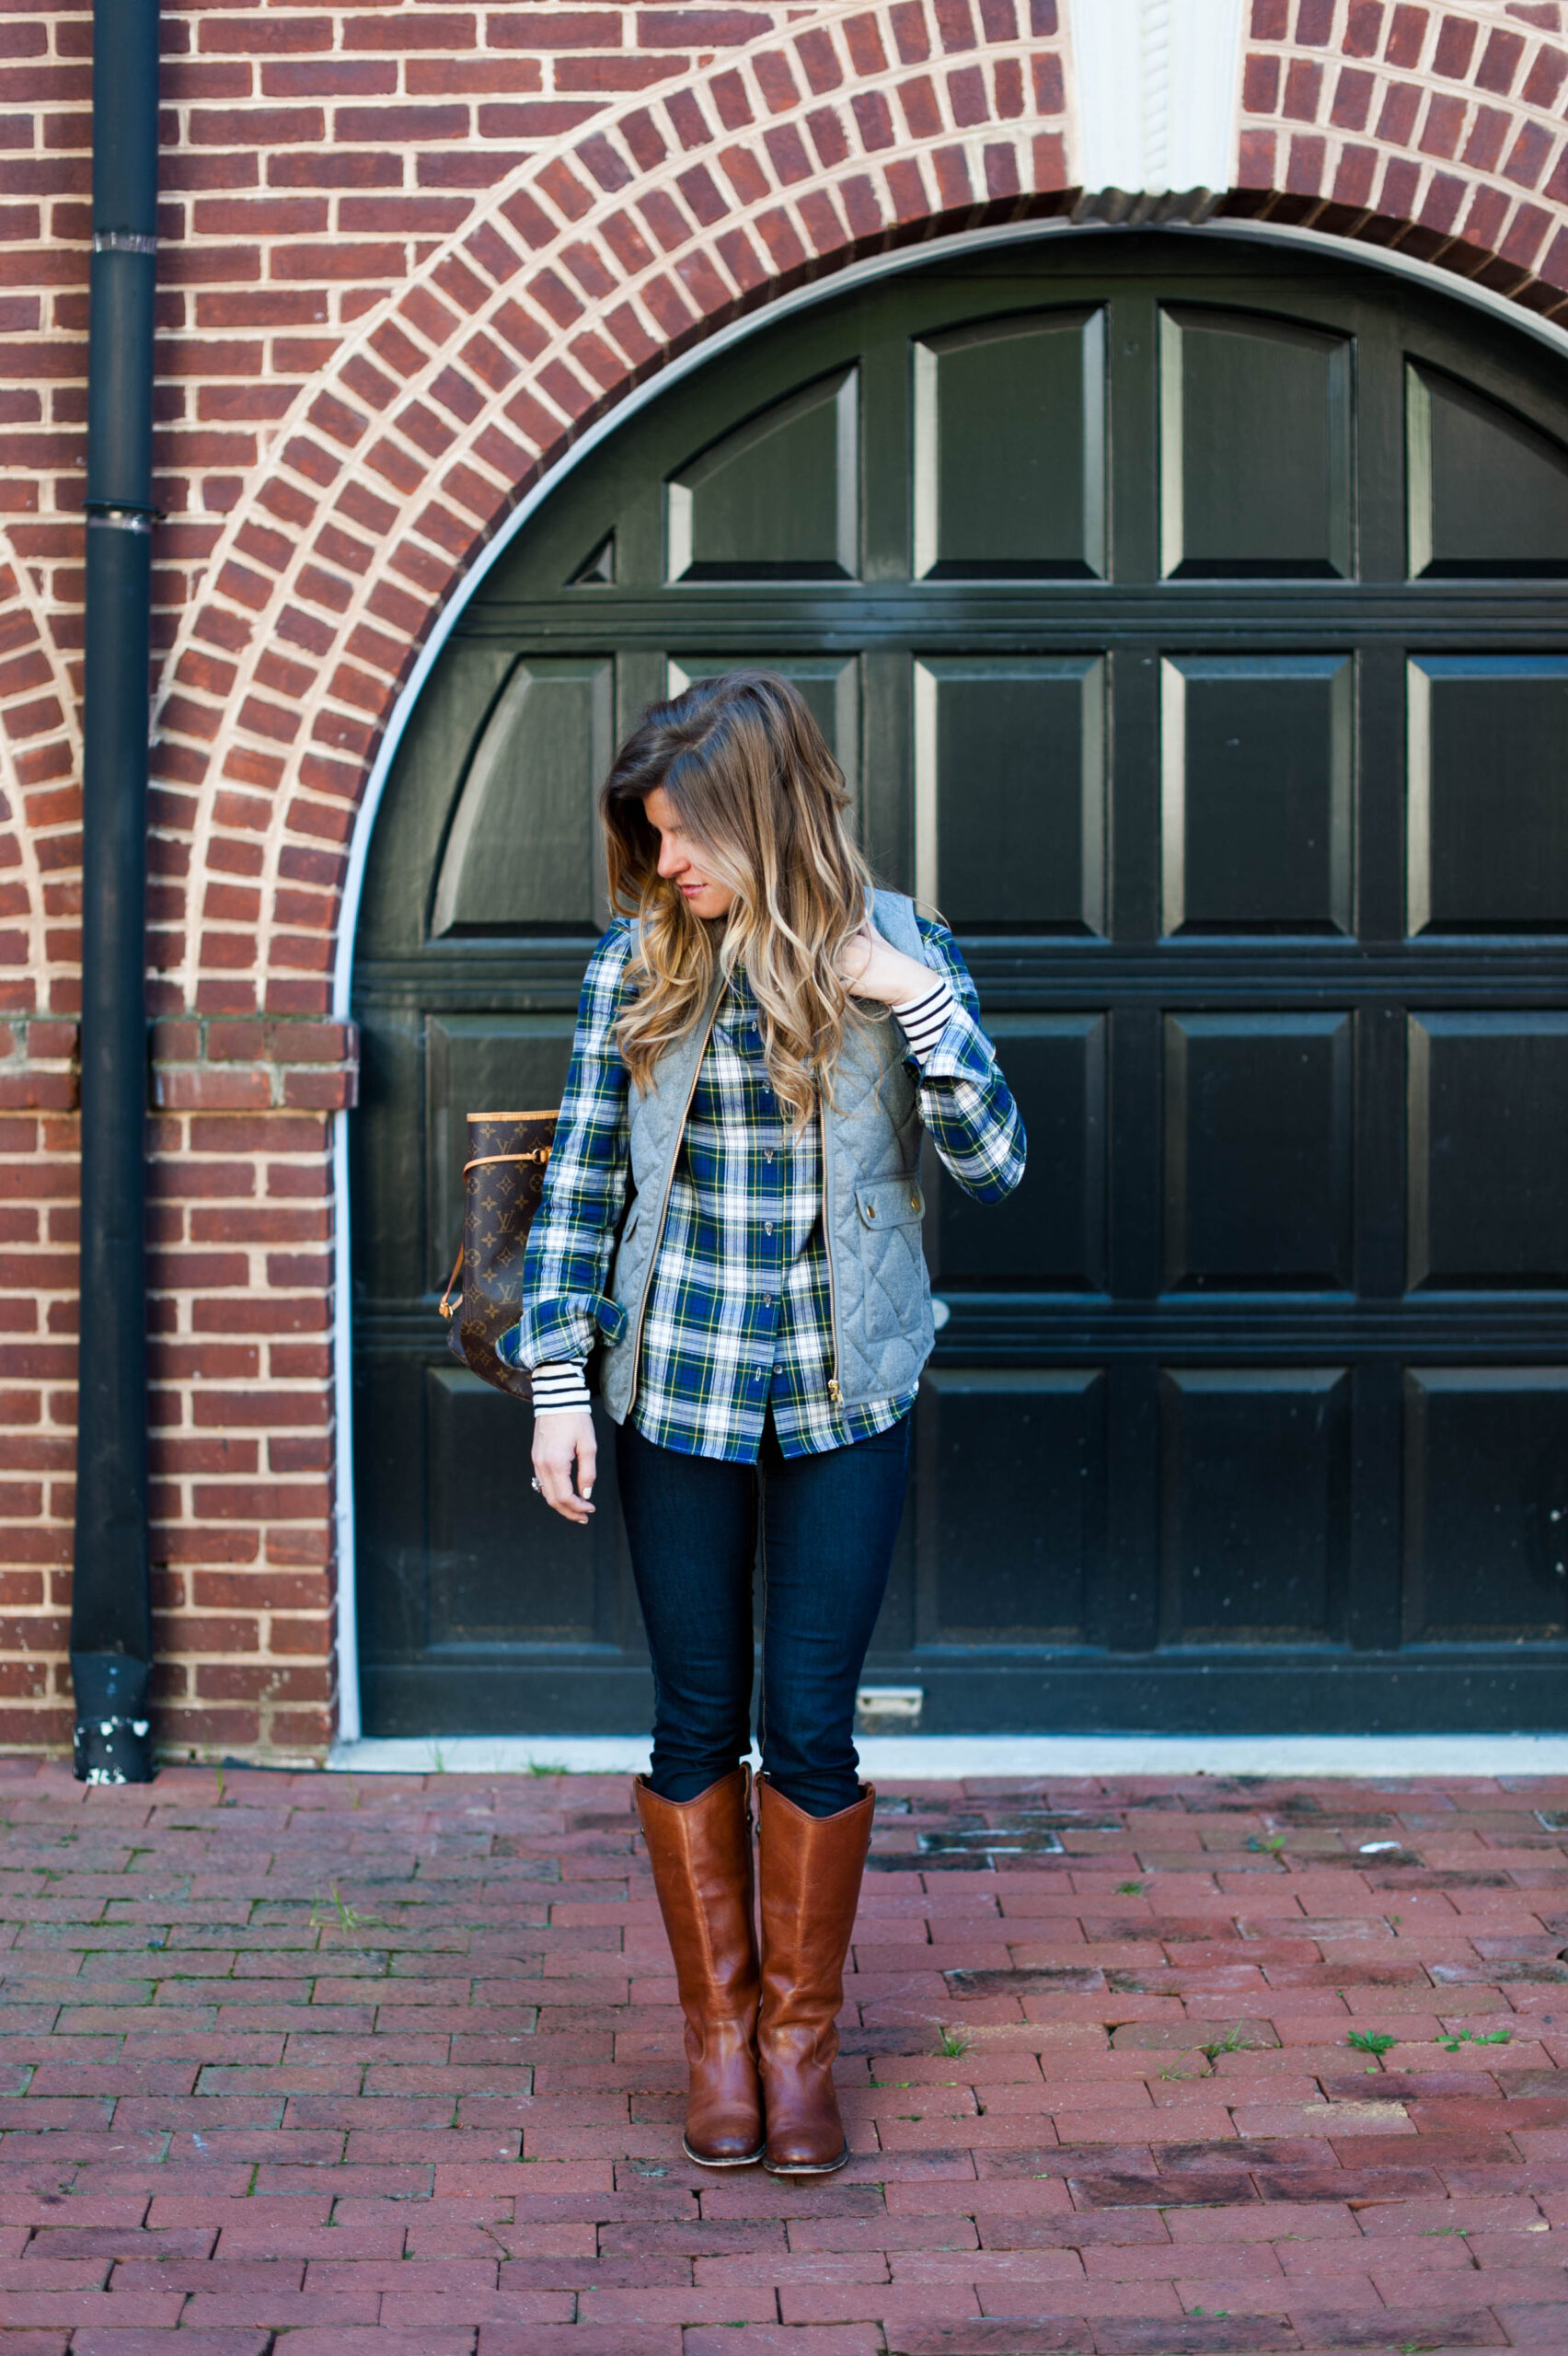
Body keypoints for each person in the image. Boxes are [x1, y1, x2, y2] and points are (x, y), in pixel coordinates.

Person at [508, 670, 1025, 2177]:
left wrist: (915, 1005)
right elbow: (580, 1189)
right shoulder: (635, 964)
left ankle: (800, 2043)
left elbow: (993, 1166)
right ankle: (716, 2038)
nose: (666, 865)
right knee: (692, 1722)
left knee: (808, 1725)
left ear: (763, 811)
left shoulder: (899, 943)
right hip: (674, 1391)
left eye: (684, 836)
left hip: (845, 1392)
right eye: (654, 839)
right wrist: (557, 1387)